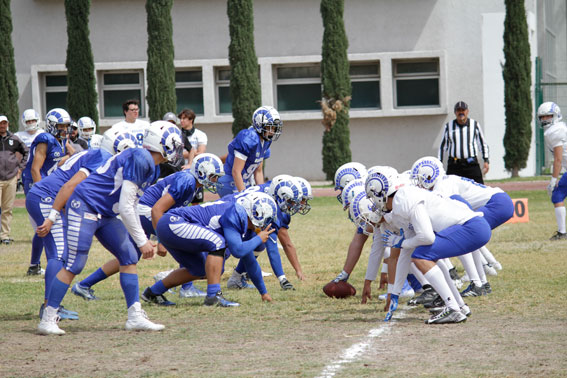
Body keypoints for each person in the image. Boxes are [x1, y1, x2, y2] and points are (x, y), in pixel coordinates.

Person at [36, 121, 182, 335]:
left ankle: (134, 316)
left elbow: (131, 204)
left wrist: (140, 239)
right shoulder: (141, 158)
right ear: (161, 143)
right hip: (85, 205)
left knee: (129, 256)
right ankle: (48, 318)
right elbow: (125, 206)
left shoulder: (153, 166)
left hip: (105, 212)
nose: (177, 150)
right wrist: (142, 241)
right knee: (75, 263)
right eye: (174, 144)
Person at [71, 153, 224, 301]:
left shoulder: (190, 181)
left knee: (129, 256)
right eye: (213, 176)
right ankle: (185, 287)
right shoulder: (187, 181)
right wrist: (162, 239)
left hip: (144, 210)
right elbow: (157, 209)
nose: (215, 180)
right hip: (146, 210)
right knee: (184, 239)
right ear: (202, 171)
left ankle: (84, 285)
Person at [366, 167, 492, 324]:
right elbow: (406, 253)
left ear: (380, 192)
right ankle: (459, 306)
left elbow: (426, 237)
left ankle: (453, 308)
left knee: (422, 256)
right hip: (474, 227)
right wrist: (395, 293)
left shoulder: (403, 201)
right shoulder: (403, 199)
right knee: (427, 256)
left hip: (472, 227)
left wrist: (399, 242)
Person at [28, 132, 126, 321]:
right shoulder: (102, 157)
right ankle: (49, 307)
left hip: (49, 196)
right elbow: (70, 186)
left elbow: (63, 170)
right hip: (47, 198)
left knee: (60, 253)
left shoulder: (94, 153)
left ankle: (53, 306)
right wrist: (53, 216)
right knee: (59, 253)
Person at [143, 191, 277, 308]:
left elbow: (249, 260)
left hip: (170, 226)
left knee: (200, 269)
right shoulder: (236, 213)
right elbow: (238, 251)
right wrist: (259, 239)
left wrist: (264, 293)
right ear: (256, 213)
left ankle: (153, 293)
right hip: (173, 222)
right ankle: (213, 296)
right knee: (218, 243)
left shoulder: (242, 221)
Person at [21, 108, 74, 275]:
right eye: (61, 126)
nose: (64, 129)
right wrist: (41, 191)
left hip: (47, 185)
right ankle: (50, 263)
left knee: (43, 227)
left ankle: (34, 266)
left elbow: (71, 156)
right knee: (46, 226)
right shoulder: (45, 139)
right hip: (37, 185)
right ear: (52, 125)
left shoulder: (60, 140)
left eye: (66, 126)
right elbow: (35, 169)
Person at [217, 106, 282, 197]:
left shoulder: (266, 142)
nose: (272, 131)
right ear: (259, 124)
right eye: (269, 127)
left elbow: (258, 171)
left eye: (274, 128)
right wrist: (244, 197)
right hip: (230, 181)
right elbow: (236, 171)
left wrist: (262, 193)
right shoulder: (249, 138)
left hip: (244, 180)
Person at [438, 101, 489, 184]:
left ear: (467, 111)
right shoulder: (449, 126)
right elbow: (442, 147)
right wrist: (439, 164)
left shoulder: (474, 125)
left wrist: (486, 160)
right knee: (450, 190)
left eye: (463, 110)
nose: (461, 112)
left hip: (471, 164)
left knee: (479, 188)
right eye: (458, 110)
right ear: (455, 112)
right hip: (454, 165)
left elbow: (482, 144)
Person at [538, 102, 567, 240]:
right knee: (557, 196)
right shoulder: (555, 129)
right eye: (542, 117)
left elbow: (558, 160)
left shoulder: (555, 131)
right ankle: (562, 233)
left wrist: (553, 180)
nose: (545, 119)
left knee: (557, 192)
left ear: (555, 115)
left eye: (548, 116)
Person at [0, 115, 29, 245]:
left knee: (7, 208)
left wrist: (20, 169)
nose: (2, 126)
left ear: (8, 124)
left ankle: (4, 235)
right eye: (0, 123)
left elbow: (26, 152)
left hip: (11, 178)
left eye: (4, 123)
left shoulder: (14, 139)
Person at [178, 108, 208, 204]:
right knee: (178, 199)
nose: (181, 121)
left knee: (196, 201)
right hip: (180, 169)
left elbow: (201, 154)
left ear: (191, 120)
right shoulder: (177, 134)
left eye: (184, 118)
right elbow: (176, 155)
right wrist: (192, 152)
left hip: (195, 170)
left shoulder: (200, 134)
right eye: (181, 118)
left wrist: (188, 153)